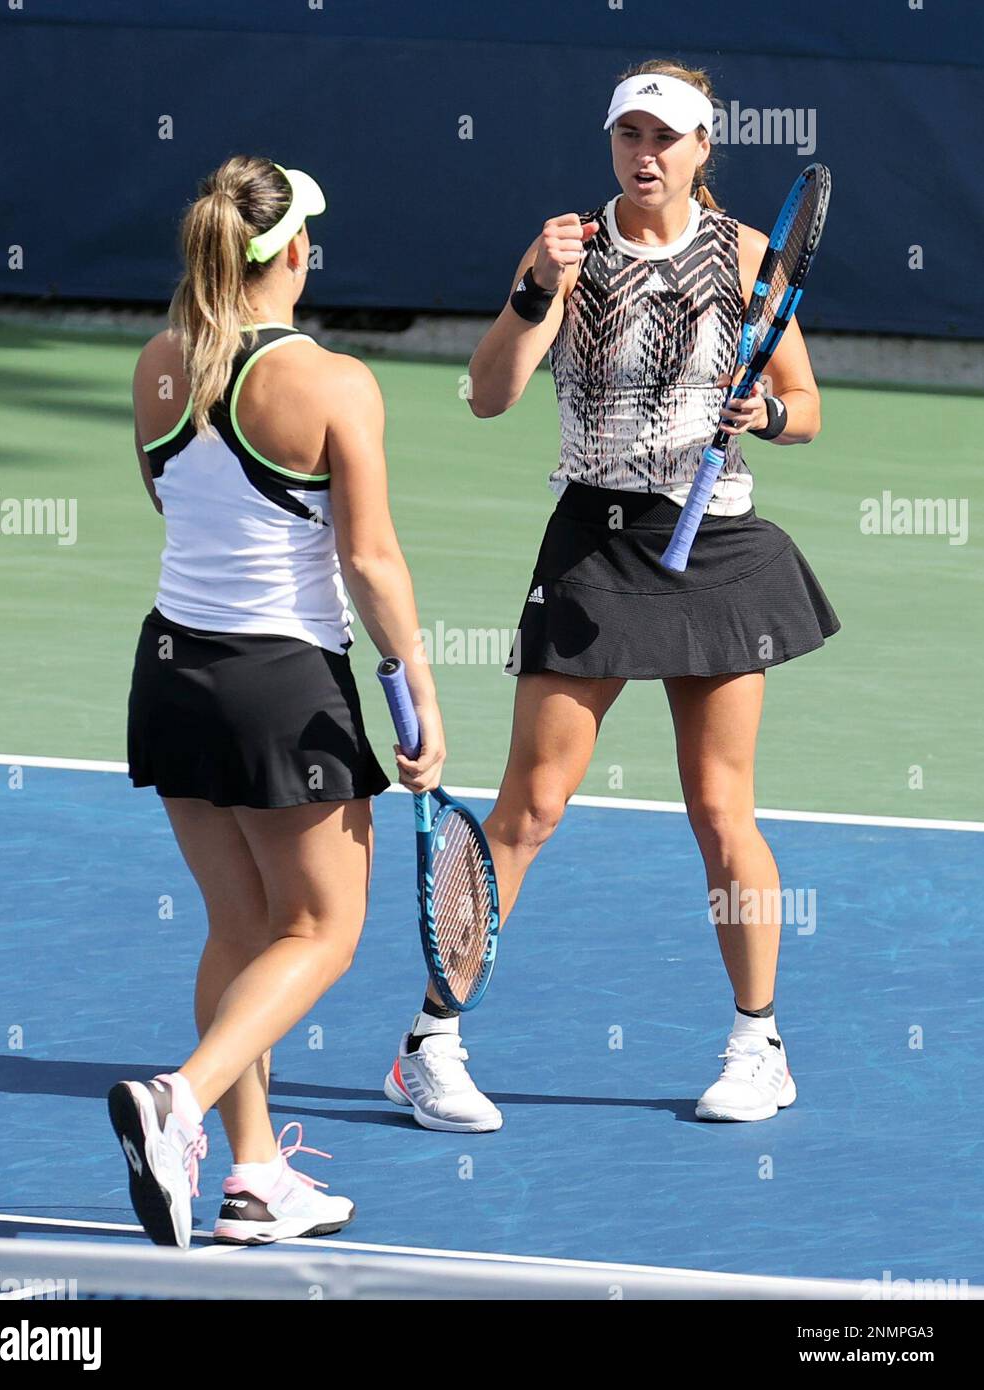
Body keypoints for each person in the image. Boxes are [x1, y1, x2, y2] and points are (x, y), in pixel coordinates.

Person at [385, 61, 839, 1130]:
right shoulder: (567, 253)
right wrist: (531, 289)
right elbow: (490, 395)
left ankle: (755, 1042)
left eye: (665, 137)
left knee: (722, 810)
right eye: (628, 133)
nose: (645, 153)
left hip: (715, 543)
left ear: (700, 149)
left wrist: (762, 420)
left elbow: (805, 402)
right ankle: (428, 1044)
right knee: (528, 807)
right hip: (594, 540)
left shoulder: (742, 255)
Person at [110, 155, 444, 1247]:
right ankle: (180, 1102)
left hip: (170, 675)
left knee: (242, 926)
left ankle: (254, 1176)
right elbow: (372, 560)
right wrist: (413, 694)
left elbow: (169, 500)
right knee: (322, 928)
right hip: (281, 691)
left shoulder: (158, 367)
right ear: (291, 251)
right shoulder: (337, 382)